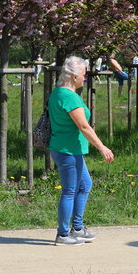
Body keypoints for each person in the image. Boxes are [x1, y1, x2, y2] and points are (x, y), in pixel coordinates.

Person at [47, 55, 114, 246]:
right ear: (74, 76)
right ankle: (63, 234)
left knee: (84, 185)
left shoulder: (58, 92)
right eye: (83, 74)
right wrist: (102, 147)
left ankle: (77, 228)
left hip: (67, 148)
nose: (85, 77)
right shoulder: (69, 97)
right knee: (69, 191)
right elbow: (84, 126)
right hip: (67, 150)